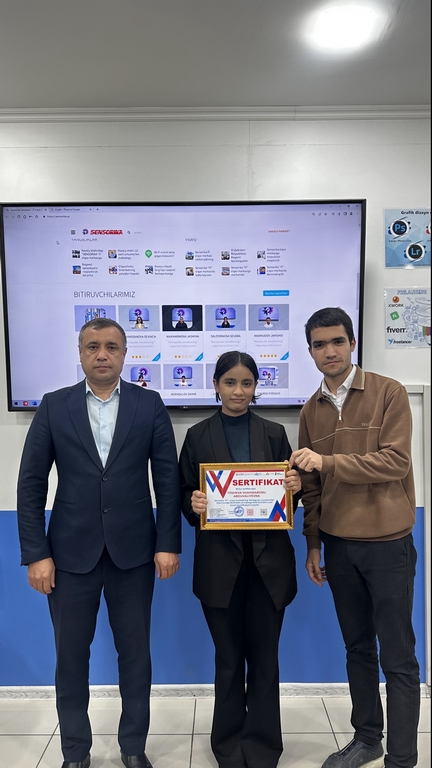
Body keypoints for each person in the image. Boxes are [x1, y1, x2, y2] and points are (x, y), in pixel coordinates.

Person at [17, 318, 182, 768]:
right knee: (71, 659)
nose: (102, 354)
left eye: (111, 346)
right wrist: (36, 554)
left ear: (125, 354)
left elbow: (167, 480)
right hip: (69, 556)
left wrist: (168, 542)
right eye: (93, 347)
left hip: (135, 553)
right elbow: (31, 484)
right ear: (81, 353)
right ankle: (75, 751)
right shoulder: (54, 406)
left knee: (136, 657)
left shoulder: (149, 404)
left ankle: (133, 747)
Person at [289, 307, 420, 768]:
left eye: (337, 341)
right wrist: (312, 544)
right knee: (357, 649)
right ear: (310, 351)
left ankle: (401, 758)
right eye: (319, 344)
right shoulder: (310, 409)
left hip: (388, 544)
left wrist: (327, 462)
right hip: (338, 546)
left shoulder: (388, 392)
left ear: (352, 343)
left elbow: (396, 462)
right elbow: (310, 488)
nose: (329, 351)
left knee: (398, 657)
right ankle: (367, 739)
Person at [179, 351, 301, 768]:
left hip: (269, 567)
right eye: (230, 382)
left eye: (246, 383)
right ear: (216, 385)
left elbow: (289, 499)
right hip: (219, 568)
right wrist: (194, 502)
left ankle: (263, 748)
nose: (238, 391)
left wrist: (294, 486)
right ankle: (229, 747)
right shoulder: (197, 435)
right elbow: (183, 493)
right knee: (229, 661)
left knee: (265, 661)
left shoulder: (274, 433)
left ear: (255, 387)